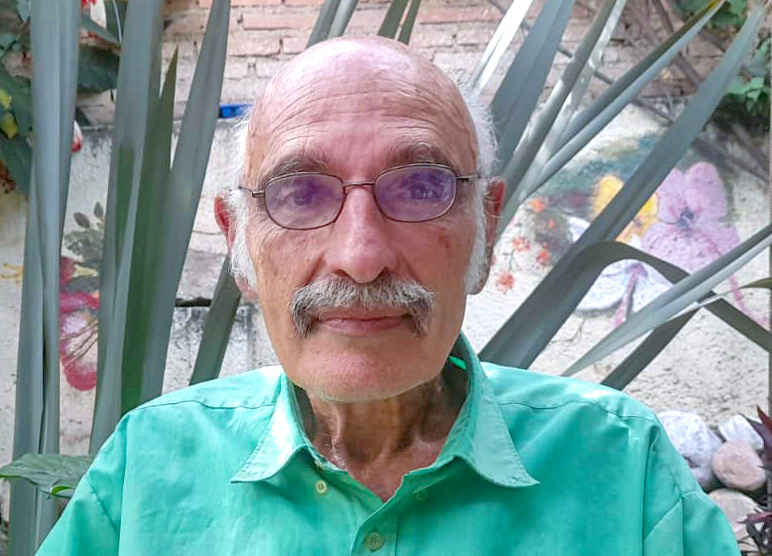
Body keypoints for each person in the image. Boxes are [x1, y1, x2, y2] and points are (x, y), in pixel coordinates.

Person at [38, 36, 738, 555]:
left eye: (422, 187)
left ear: (486, 227)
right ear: (239, 244)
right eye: (299, 193)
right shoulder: (148, 467)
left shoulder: (623, 465)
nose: (361, 255)